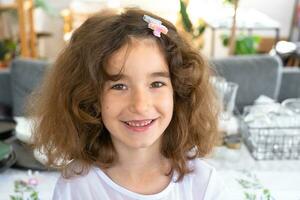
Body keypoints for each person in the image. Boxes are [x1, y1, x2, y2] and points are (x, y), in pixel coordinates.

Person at [27, 7, 226, 200]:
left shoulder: (202, 183)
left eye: (156, 83)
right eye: (119, 86)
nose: (140, 105)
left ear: (179, 92)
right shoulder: (76, 185)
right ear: (89, 97)